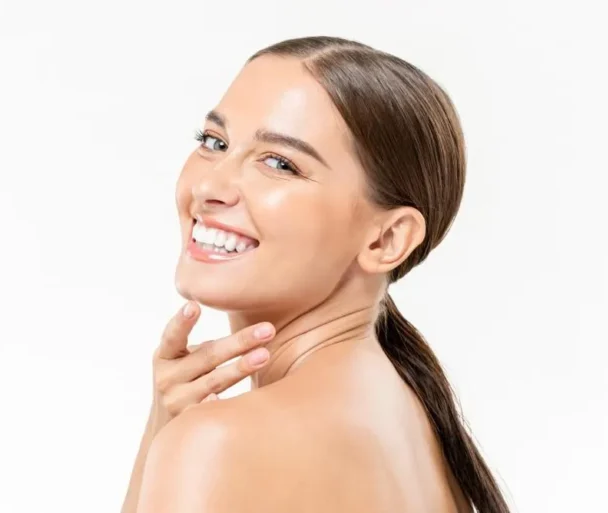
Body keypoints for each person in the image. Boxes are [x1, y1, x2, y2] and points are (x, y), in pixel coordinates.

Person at [121, 35, 510, 513]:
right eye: (214, 142)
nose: (209, 185)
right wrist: (164, 421)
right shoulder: (415, 421)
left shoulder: (221, 443)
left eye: (280, 163)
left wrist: (175, 438)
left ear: (387, 239)